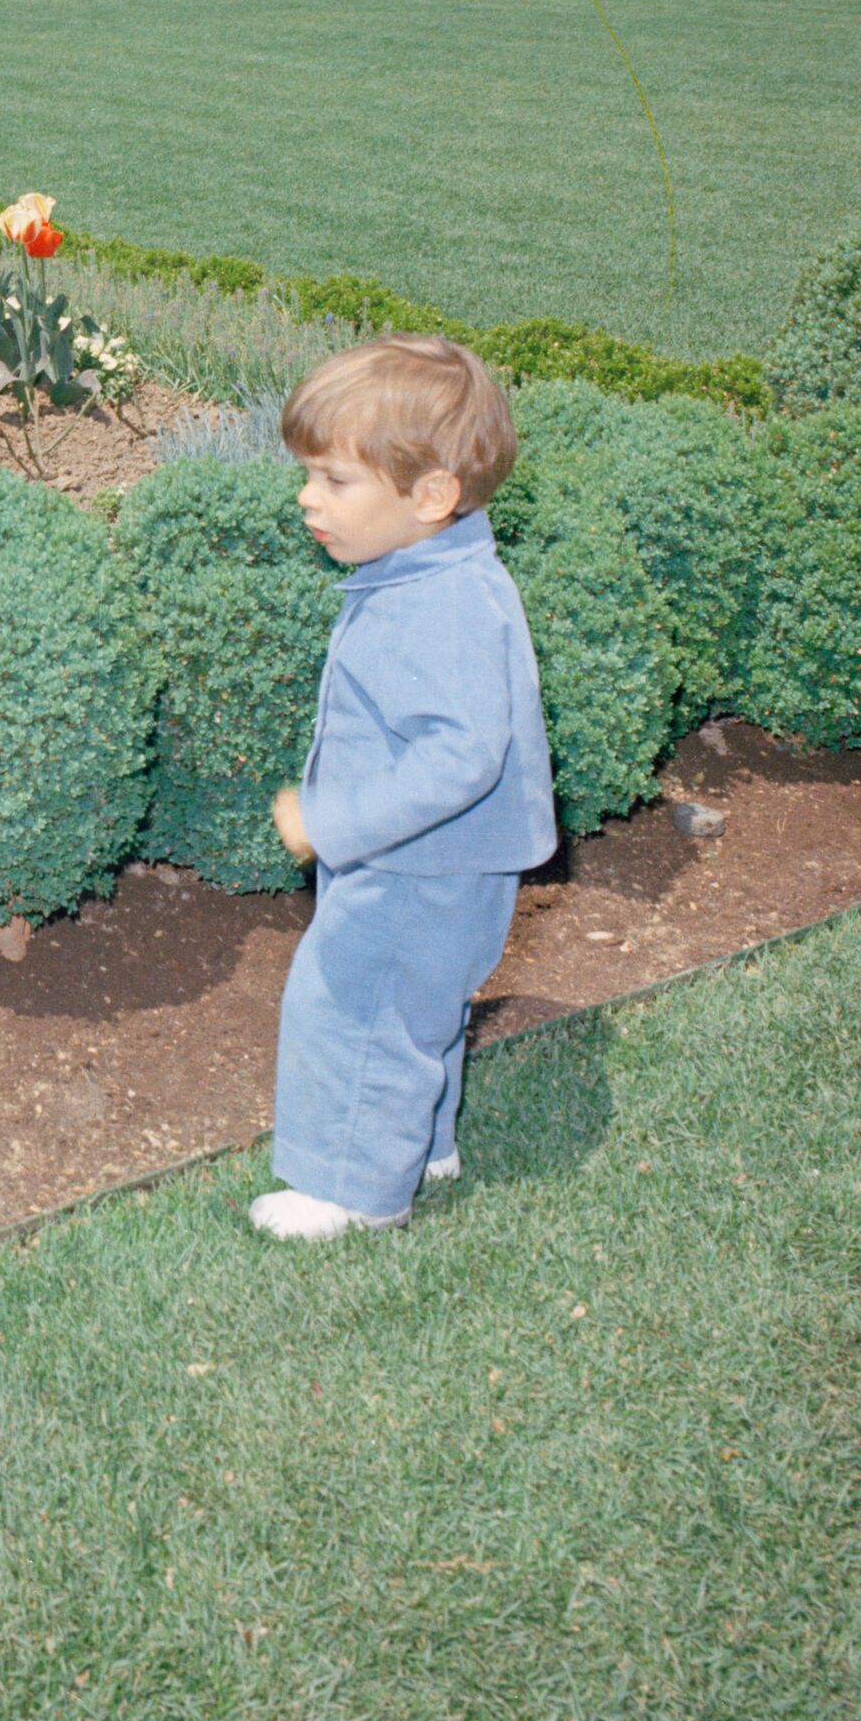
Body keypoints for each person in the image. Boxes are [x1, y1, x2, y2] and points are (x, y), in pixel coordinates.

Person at [253, 335, 555, 1243]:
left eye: (335, 480)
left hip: (420, 867)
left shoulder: (439, 603)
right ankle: (421, 1146)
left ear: (431, 496)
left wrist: (331, 818)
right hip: (443, 866)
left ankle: (355, 1193)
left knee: (356, 1007)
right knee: (417, 1008)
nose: (307, 497)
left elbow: (458, 756)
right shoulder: (434, 571)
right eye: (308, 474)